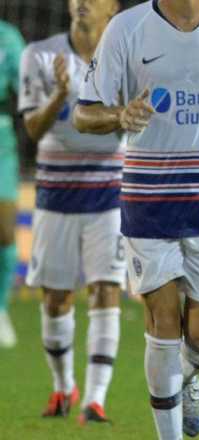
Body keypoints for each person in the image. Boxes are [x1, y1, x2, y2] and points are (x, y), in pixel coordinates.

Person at [73, 0, 199, 438]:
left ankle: (187, 378)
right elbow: (84, 113)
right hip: (149, 197)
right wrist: (118, 116)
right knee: (162, 322)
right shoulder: (127, 28)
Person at [18, 0, 124, 423]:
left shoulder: (126, 57)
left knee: (106, 289)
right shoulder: (40, 55)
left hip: (108, 196)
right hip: (56, 197)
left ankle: (95, 400)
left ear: (112, 9)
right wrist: (61, 92)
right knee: (57, 299)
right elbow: (32, 129)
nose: (82, 3)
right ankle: (64, 387)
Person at [0, 19, 26, 349]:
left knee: (5, 230)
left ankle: (1, 310)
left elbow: (29, 89)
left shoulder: (8, 36)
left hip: (0, 138)